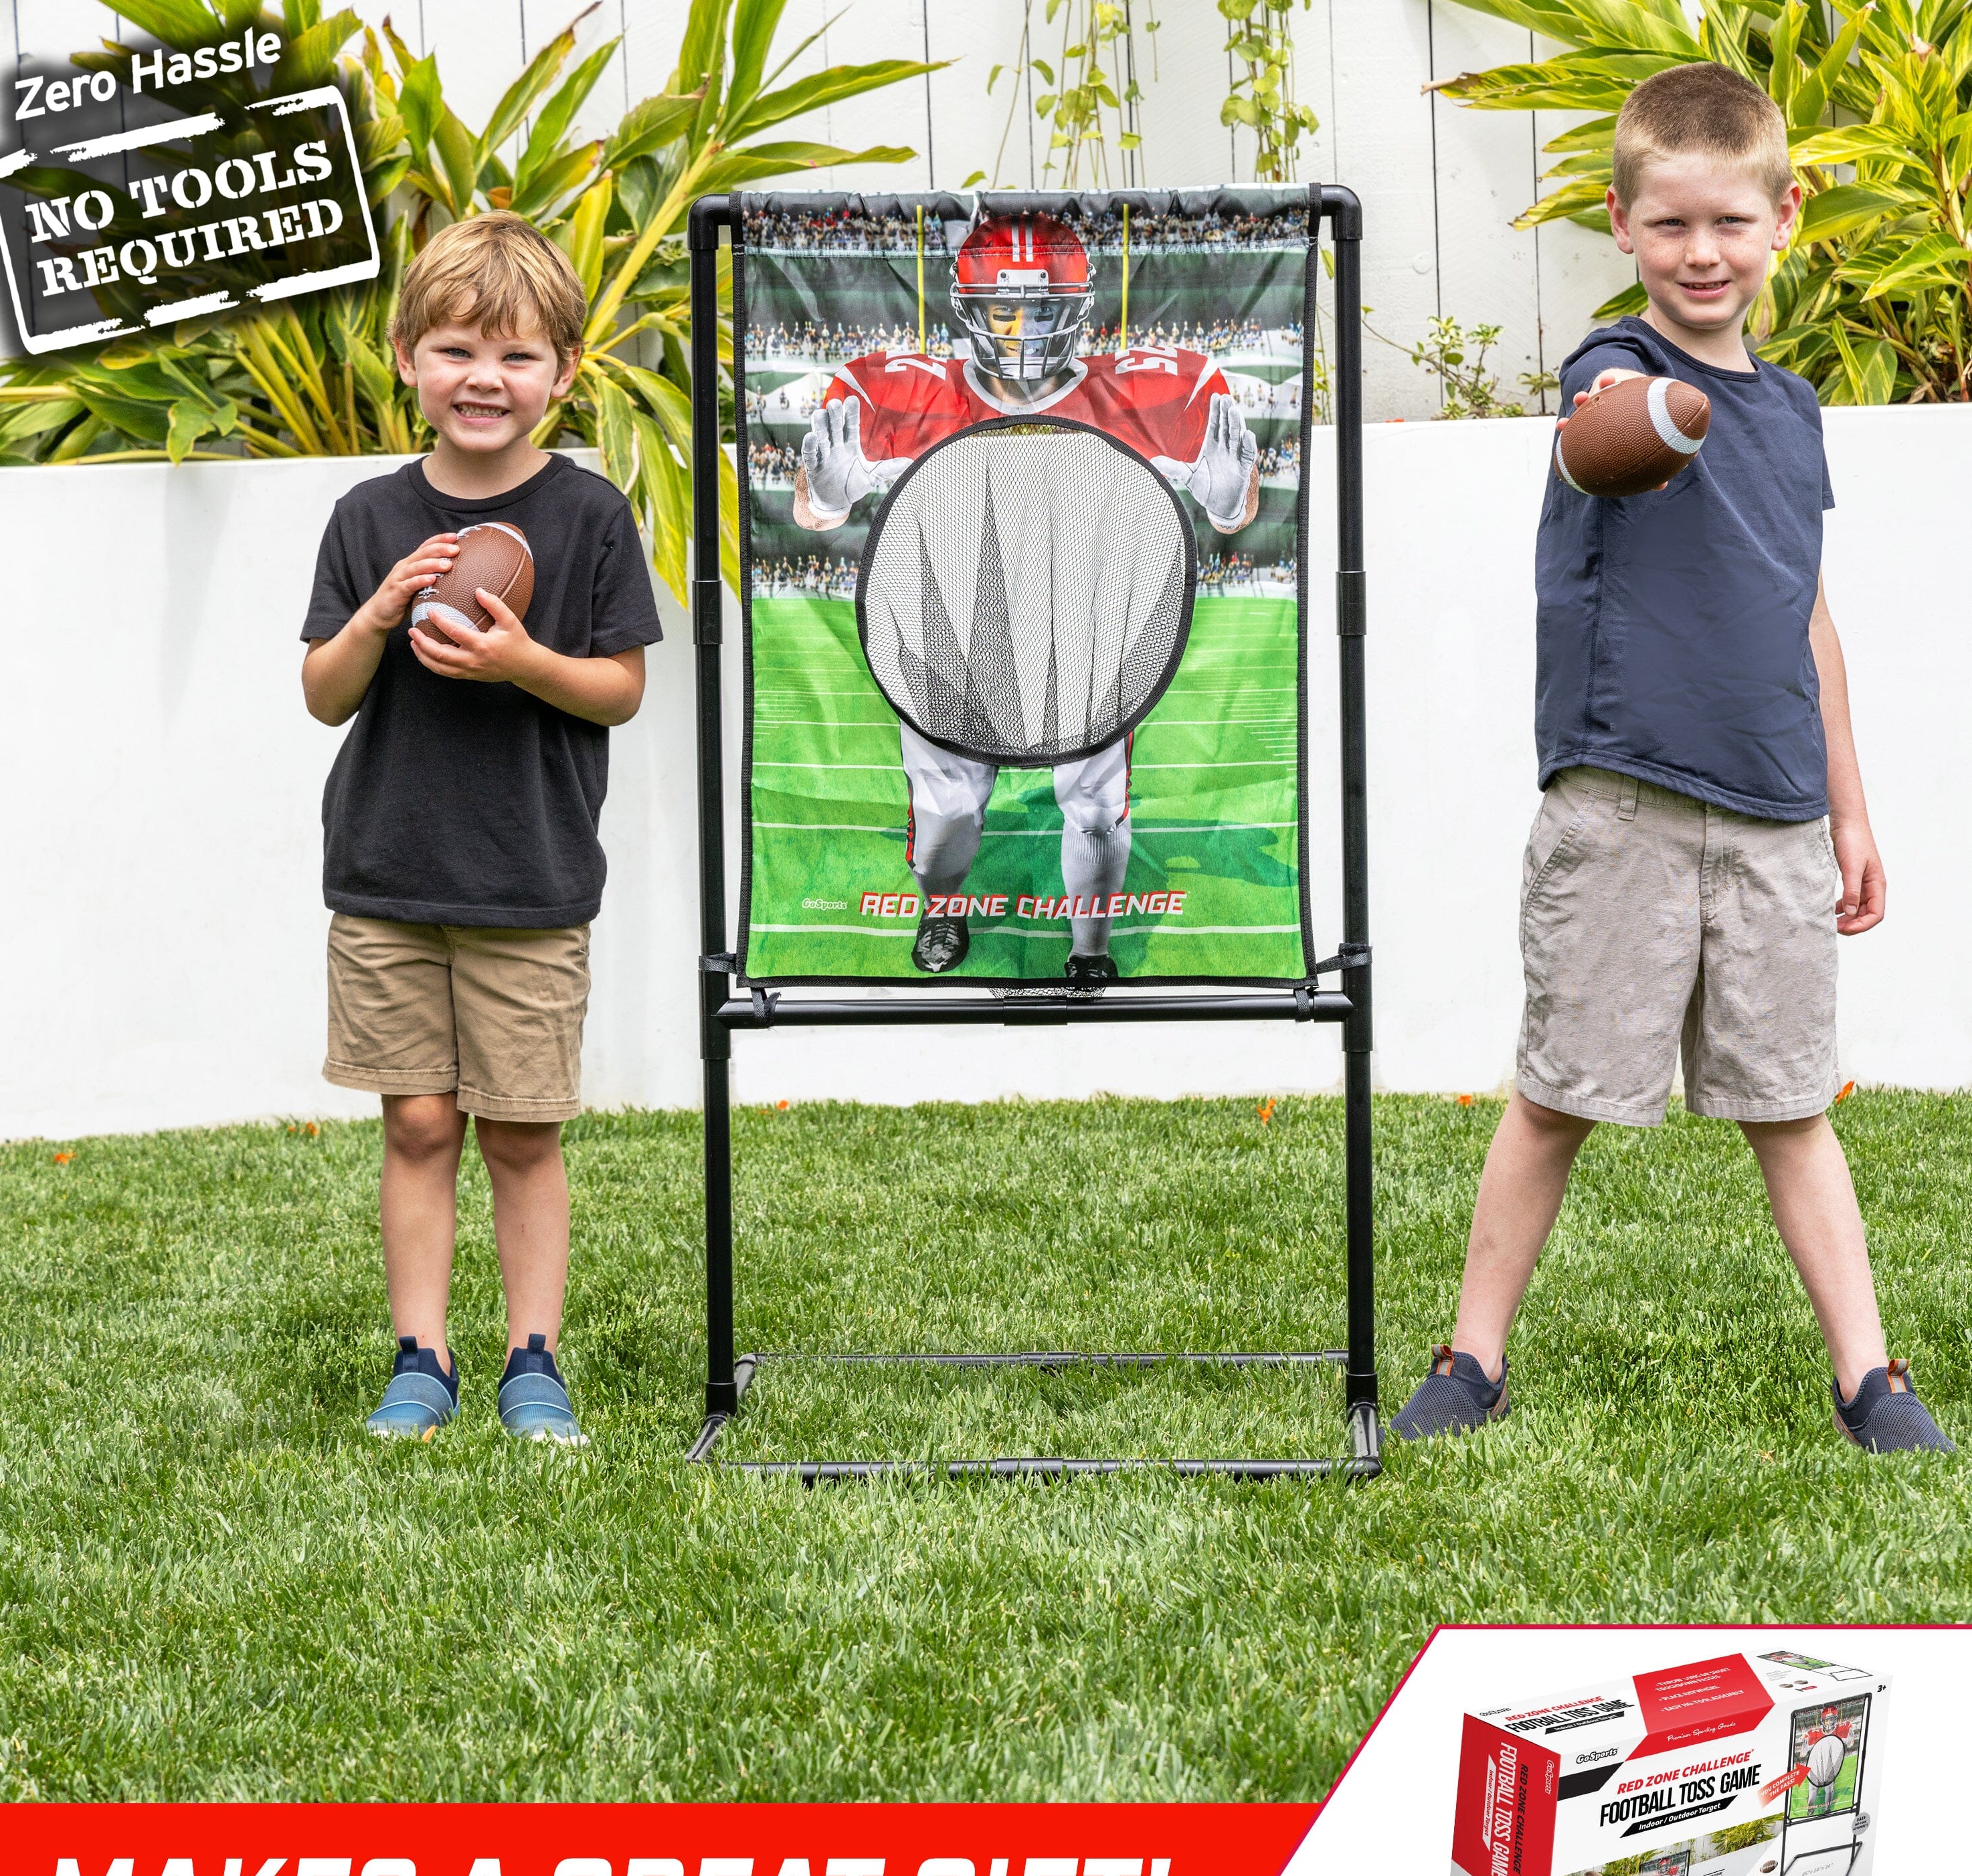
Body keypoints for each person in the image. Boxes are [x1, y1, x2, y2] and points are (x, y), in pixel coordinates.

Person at [1391, 62, 1953, 1454]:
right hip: (1623, 802)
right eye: (1673, 226)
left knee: (1791, 1105)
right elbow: (1599, 445)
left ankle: (1870, 1380)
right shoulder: (1613, 372)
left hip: (1774, 816)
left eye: (1730, 224)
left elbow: (1801, 606)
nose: (1704, 254)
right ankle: (1471, 1358)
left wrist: (1852, 809)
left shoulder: (1800, 412)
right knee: (1559, 1093)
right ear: (1622, 223)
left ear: (1784, 218)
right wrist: (1663, 415)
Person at [299, 213, 661, 1444]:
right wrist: (381, 612)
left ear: (562, 372)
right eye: (456, 350)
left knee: (517, 1126)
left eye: (514, 357)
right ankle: (420, 1356)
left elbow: (620, 688)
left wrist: (522, 661)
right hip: (388, 870)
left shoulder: (591, 516)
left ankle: (534, 1359)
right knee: (414, 1119)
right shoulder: (366, 517)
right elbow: (323, 694)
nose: (483, 380)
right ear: (407, 358)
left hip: (532, 873)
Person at [790, 210, 1261, 984]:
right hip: (947, 640)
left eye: (1043, 307)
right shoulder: (898, 391)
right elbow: (813, 506)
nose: (1022, 327)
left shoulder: (1144, 392)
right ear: (967, 310)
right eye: (1004, 308)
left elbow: (1232, 508)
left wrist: (1227, 503)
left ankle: (1089, 954)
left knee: (1099, 811)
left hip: (1085, 633)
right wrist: (828, 501)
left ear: (1077, 306)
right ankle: (943, 907)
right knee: (944, 826)